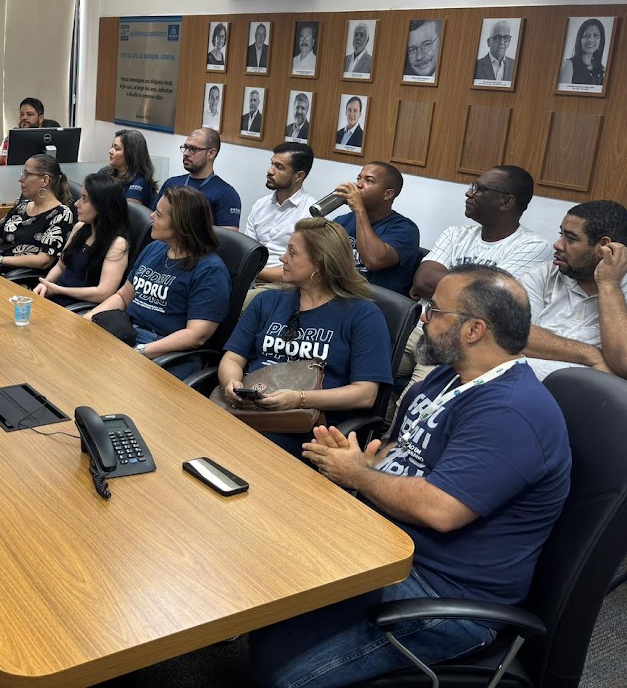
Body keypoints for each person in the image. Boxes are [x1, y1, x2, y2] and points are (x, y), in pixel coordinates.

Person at [252, 264, 570, 686]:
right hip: (387, 549)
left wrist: (358, 476)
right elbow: (400, 447)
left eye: (435, 311)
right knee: (259, 587)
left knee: (288, 677)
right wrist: (366, 462)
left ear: (474, 330)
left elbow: (441, 510)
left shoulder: (511, 412)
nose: (423, 318)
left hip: (442, 594)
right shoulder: (447, 377)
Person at [217, 218, 394, 448]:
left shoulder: (363, 315)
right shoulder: (267, 301)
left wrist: (299, 399)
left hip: (304, 428)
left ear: (320, 264)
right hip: (248, 411)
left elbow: (365, 394)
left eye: (292, 252)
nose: (283, 258)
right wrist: (232, 383)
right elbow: (233, 358)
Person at [405, 165, 552, 383]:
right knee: (363, 369)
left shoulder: (532, 246)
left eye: (480, 189)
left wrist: (444, 285)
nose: (469, 193)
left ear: (506, 202)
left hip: (458, 344)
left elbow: (489, 300)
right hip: (417, 329)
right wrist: (469, 290)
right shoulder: (455, 234)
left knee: (415, 399)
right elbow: (423, 279)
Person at [86, 186, 229, 378]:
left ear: (181, 226)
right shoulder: (154, 249)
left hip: (167, 352)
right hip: (127, 333)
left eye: (159, 215)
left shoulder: (210, 271)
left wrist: (142, 350)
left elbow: (196, 335)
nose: (151, 216)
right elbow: (123, 297)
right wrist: (89, 318)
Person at [523, 200, 627, 380]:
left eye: (570, 239)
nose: (557, 245)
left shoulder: (619, 287)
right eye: (561, 234)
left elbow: (624, 362)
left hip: (586, 395)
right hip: (520, 385)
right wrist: (591, 355)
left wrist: (609, 284)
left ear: (604, 247)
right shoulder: (544, 274)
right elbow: (513, 335)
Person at [34, 173, 131, 307]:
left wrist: (59, 290)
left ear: (101, 206)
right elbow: (61, 266)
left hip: (77, 308)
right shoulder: (80, 228)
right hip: (55, 297)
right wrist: (45, 284)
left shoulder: (117, 244)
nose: (76, 203)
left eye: (84, 199)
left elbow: (103, 293)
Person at [331, 162, 422, 295]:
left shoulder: (405, 229)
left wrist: (359, 209)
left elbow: (373, 260)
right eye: (358, 178)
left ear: (388, 194)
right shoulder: (342, 221)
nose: (358, 185)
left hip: (373, 302)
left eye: (369, 180)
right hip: (339, 294)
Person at [0, 154, 74, 274]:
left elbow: (43, 260)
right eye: (22, 173)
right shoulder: (21, 207)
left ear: (45, 180)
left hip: (18, 277)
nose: (20, 179)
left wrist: (0, 260)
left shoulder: (61, 214)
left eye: (27, 174)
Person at [245, 143, 317, 294]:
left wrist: (252, 269)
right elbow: (248, 250)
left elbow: (303, 271)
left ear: (299, 176)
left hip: (284, 285)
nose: (270, 171)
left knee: (240, 302)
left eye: (279, 167)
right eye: (272, 164)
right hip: (248, 277)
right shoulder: (260, 205)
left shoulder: (311, 214)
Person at [156, 127, 242, 230]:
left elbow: (227, 237)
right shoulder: (171, 183)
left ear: (211, 153)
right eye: (185, 147)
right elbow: (153, 219)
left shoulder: (226, 194)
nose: (186, 153)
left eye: (193, 149)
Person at [0, 96, 44, 187]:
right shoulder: (12, 137)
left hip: (37, 186)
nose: (24, 117)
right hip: (10, 184)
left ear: (41, 118)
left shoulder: (47, 138)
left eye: (29, 114)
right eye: (21, 114)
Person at [103, 128, 157, 205]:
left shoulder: (140, 183)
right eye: (112, 147)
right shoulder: (104, 172)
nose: (110, 151)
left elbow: (128, 210)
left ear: (130, 154)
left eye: (116, 148)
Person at [559, 17, 606, 86]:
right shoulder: (569, 65)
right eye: (586, 36)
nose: (590, 40)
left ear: (601, 40)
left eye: (595, 35)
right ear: (580, 39)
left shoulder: (602, 69)